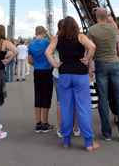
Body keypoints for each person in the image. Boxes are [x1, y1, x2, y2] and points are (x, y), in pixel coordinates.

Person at [46, 17, 99, 151]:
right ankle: (88, 142)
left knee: (66, 108)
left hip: (64, 75)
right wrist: (87, 59)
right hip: (80, 75)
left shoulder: (57, 38)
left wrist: (55, 64)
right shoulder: (80, 36)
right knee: (83, 108)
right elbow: (92, 46)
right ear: (75, 26)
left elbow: (47, 53)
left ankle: (66, 140)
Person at [89, 7, 119, 143]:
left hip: (100, 65)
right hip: (115, 64)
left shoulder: (92, 30)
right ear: (106, 16)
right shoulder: (114, 28)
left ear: (96, 17)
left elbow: (90, 49)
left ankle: (106, 133)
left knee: (103, 99)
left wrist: (90, 68)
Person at [28, 26, 53, 133]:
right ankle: (45, 123)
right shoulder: (47, 42)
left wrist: (37, 64)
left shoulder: (31, 44)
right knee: (46, 97)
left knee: (38, 96)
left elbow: (30, 60)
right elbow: (54, 44)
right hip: (47, 71)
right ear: (43, 33)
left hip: (37, 71)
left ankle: (38, 123)